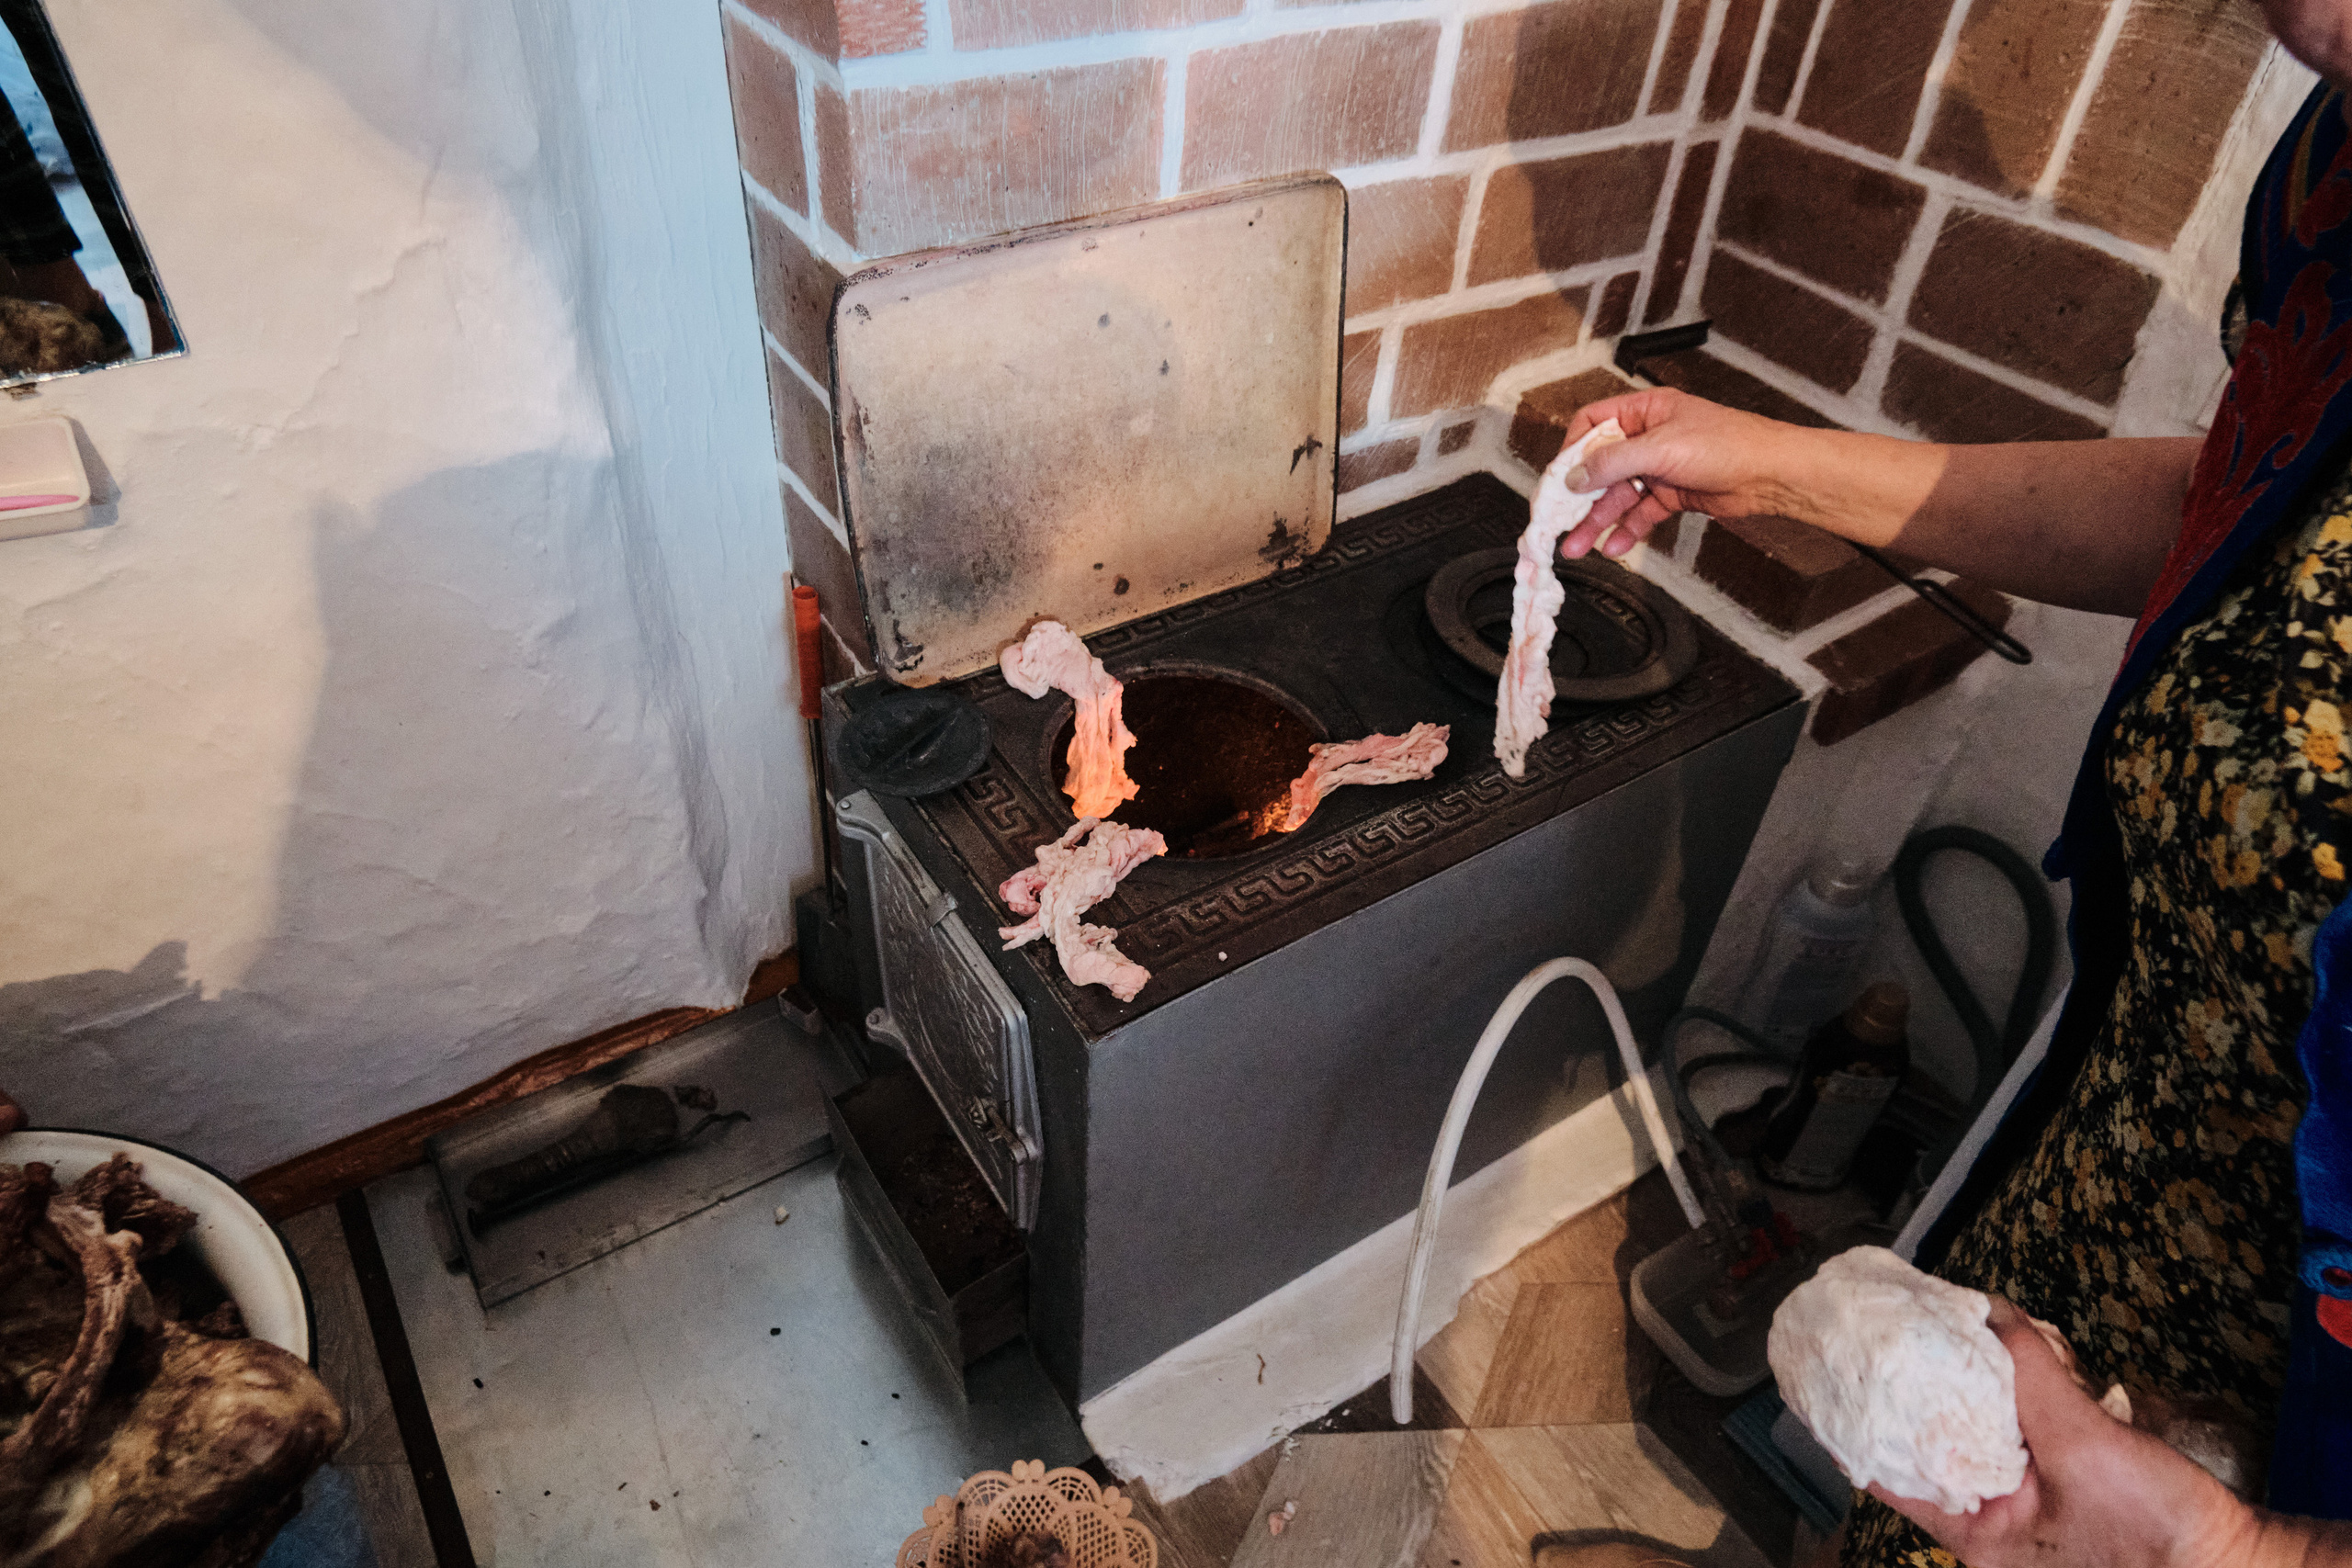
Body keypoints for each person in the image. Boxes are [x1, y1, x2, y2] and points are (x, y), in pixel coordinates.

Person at [1551, 3, 2352, 1562]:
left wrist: (2239, 1554)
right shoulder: (2330, 158)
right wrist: (1770, 461)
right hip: (2122, 1189)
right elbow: (2249, 513)